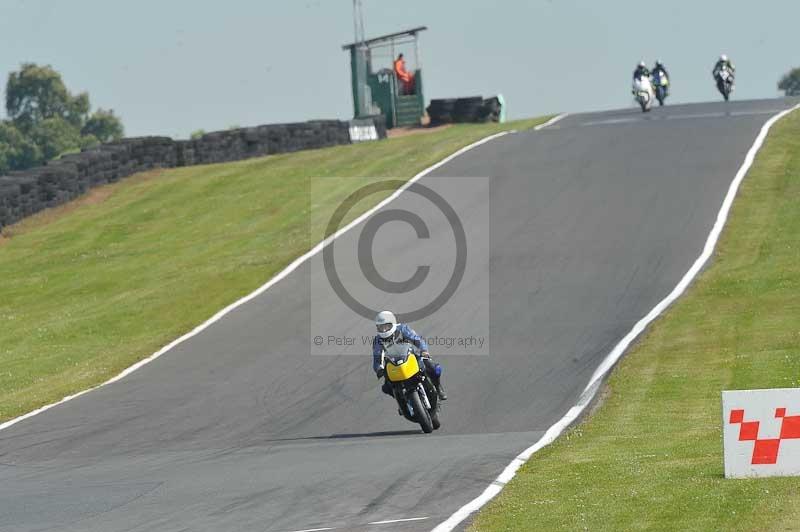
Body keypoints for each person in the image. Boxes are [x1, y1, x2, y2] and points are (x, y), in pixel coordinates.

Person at [372, 310, 447, 400]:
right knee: (386, 388)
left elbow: (417, 340)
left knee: (434, 368)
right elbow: (376, 358)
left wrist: (424, 351)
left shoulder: (402, 329)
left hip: (410, 357)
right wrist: (379, 369)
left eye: (385, 326)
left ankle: (438, 387)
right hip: (393, 364)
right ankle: (401, 401)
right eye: (380, 327)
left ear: (392, 323)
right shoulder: (378, 340)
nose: (383, 330)